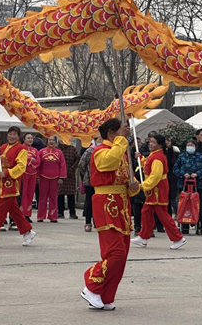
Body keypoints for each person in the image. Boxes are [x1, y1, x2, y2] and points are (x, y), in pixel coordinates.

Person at [81, 118, 140, 311]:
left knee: (123, 254)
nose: (126, 136)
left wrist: (133, 187)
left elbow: (126, 182)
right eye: (121, 132)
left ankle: (105, 295)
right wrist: (122, 141)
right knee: (115, 253)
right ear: (111, 134)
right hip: (106, 204)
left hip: (122, 204)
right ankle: (91, 282)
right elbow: (109, 163)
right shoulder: (100, 151)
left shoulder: (122, 153)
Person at [0, 126, 35, 247]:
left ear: (18, 136)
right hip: (1, 181)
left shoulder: (22, 149)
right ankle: (27, 231)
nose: (12, 136)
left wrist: (8, 173)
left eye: (14, 134)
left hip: (11, 182)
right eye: (10, 134)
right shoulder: (3, 147)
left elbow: (21, 167)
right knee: (14, 211)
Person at [131, 135, 186, 250]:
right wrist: (140, 158)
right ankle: (143, 236)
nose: (151, 144)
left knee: (163, 215)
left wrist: (143, 186)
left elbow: (155, 176)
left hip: (157, 189)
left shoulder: (158, 158)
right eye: (150, 142)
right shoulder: (155, 155)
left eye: (154, 142)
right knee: (146, 212)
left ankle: (178, 238)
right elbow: (147, 165)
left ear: (160, 145)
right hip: (154, 190)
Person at [172, 138, 202, 235]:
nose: (190, 147)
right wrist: (183, 174)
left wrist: (197, 174)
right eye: (188, 145)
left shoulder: (201, 156)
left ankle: (199, 226)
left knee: (198, 205)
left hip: (199, 185)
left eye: (192, 145)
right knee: (184, 204)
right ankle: (184, 226)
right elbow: (175, 168)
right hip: (183, 184)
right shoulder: (182, 157)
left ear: (196, 147)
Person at [37, 136, 66, 223]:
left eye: (53, 140)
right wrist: (37, 177)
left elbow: (62, 166)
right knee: (42, 197)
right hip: (43, 177)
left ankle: (53, 216)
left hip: (55, 177)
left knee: (53, 197)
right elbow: (38, 165)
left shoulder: (59, 152)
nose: (51, 141)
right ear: (47, 141)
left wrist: (61, 177)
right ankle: (40, 216)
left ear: (55, 142)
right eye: (50, 140)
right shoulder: (41, 152)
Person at [78, 138, 102, 232]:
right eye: (99, 139)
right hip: (90, 181)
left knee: (99, 203)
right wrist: (86, 175)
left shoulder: (105, 150)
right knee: (89, 202)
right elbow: (81, 165)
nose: (100, 141)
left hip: (101, 181)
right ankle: (88, 222)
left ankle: (98, 222)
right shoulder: (89, 151)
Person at [21, 132, 40, 222]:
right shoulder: (20, 148)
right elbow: (20, 159)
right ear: (24, 139)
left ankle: (27, 214)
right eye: (28, 138)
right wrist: (30, 159)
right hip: (23, 173)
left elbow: (38, 161)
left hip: (32, 174)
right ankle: (21, 214)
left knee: (30, 194)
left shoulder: (35, 150)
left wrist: (30, 161)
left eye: (31, 138)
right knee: (23, 194)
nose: (30, 140)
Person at [58, 142, 80, 219]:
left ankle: (72, 212)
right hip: (60, 174)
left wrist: (72, 169)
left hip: (70, 174)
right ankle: (60, 212)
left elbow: (78, 159)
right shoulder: (57, 149)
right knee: (60, 194)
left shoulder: (73, 149)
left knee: (71, 194)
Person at [165, 136, 180, 217]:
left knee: (172, 198)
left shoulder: (175, 150)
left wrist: (170, 148)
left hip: (173, 177)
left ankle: (178, 214)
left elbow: (172, 161)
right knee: (167, 199)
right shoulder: (162, 151)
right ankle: (168, 216)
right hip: (166, 177)